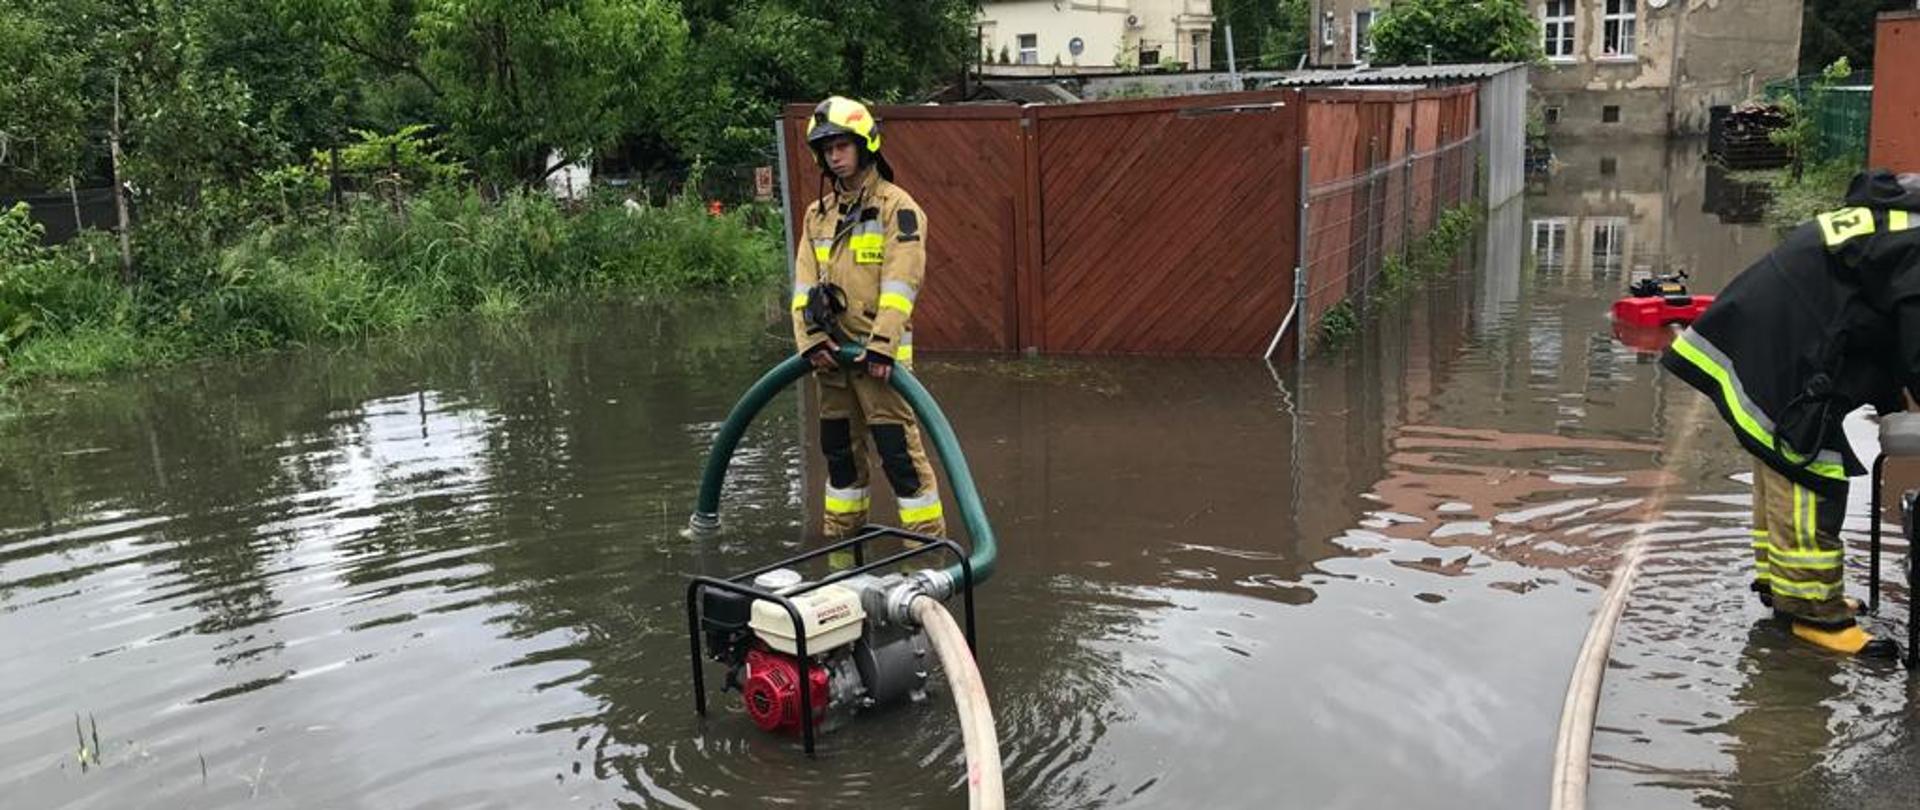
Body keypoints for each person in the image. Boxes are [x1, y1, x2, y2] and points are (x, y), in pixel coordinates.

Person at [1661, 169, 1920, 658]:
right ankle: (1813, 613)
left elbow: (1883, 319)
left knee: (1781, 464)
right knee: (1808, 472)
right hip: (1788, 352)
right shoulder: (1915, 243)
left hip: (1771, 335)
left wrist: (1891, 398)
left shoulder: (1900, 221)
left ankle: (1784, 589)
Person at [790, 96, 945, 544]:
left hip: (879, 364)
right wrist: (810, 341)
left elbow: (902, 283)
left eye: (842, 146)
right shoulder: (817, 216)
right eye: (827, 149)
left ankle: (926, 553)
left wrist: (881, 346)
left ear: (864, 145)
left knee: (900, 459)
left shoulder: (898, 208)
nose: (834, 156)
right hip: (830, 359)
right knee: (839, 459)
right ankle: (842, 550)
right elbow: (803, 287)